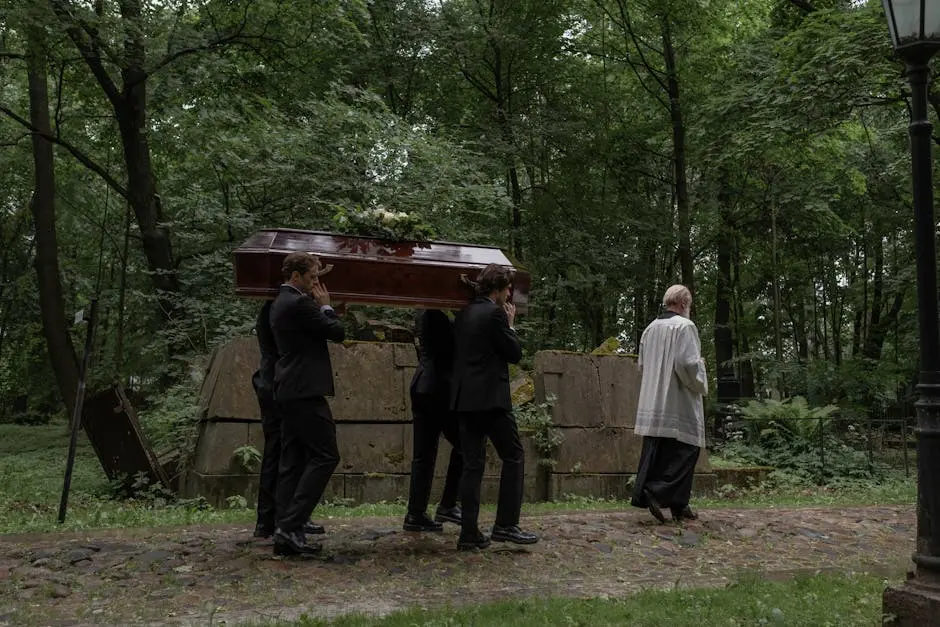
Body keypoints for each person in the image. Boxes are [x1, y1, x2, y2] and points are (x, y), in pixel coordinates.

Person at [451, 264, 538, 550]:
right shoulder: (495, 314)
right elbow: (513, 354)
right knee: (513, 456)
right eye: (507, 288)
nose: (510, 293)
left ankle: (469, 532)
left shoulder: (463, 313)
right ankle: (506, 525)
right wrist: (511, 326)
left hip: (465, 399)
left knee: (472, 465)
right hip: (491, 399)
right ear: (498, 289)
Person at [269, 252, 345, 555]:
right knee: (326, 455)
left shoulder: (280, 301)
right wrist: (326, 306)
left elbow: (315, 330)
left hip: (288, 388)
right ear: (296, 276)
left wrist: (325, 311)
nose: (317, 283)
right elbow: (336, 333)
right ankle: (289, 526)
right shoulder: (300, 302)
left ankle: (286, 525)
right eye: (313, 277)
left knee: (294, 460)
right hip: (303, 390)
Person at [631, 284, 708, 523]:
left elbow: (642, 365)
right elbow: (687, 364)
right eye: (690, 306)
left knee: (659, 449)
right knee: (687, 450)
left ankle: (679, 503)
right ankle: (656, 491)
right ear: (684, 304)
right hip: (677, 400)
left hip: (654, 400)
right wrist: (701, 374)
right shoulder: (685, 326)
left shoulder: (650, 329)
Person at [251, 299, 325, 540]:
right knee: (286, 452)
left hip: (271, 380)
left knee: (282, 451)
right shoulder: (281, 306)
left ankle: (273, 520)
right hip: (279, 382)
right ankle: (281, 519)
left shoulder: (273, 306)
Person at [403, 309, 463, 532]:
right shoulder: (435, 315)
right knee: (466, 444)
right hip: (438, 389)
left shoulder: (427, 313)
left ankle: (416, 512)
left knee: (424, 455)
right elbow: (454, 346)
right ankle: (446, 504)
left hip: (423, 385)